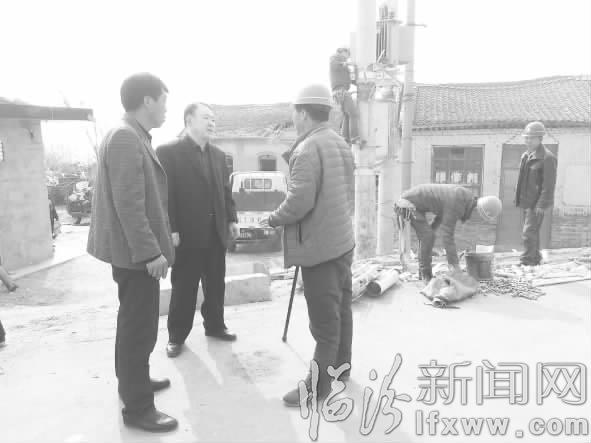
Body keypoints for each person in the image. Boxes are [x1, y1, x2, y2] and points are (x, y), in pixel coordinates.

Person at [86, 73, 177, 432]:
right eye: (164, 101)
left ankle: (133, 383)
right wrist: (151, 253)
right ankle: (139, 408)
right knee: (138, 330)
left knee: (135, 325)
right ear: (147, 101)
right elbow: (129, 204)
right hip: (136, 256)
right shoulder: (126, 137)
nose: (166, 108)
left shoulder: (131, 134)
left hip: (132, 253)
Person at [260, 84, 356, 407]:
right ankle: (341, 369)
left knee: (324, 324)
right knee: (341, 310)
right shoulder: (340, 142)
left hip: (320, 249)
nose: (293, 118)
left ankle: (317, 388)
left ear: (302, 113)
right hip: (342, 242)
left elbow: (299, 202)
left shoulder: (307, 149)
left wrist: (274, 218)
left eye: (294, 113)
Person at [156, 102, 239, 358]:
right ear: (189, 120)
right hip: (186, 234)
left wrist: (232, 219)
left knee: (215, 285)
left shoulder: (219, 155)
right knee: (184, 287)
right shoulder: (169, 152)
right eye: (206, 118)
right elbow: (165, 195)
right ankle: (176, 336)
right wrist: (171, 228)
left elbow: (225, 191)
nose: (212, 122)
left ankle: (215, 326)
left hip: (215, 232)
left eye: (213, 118)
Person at [395, 184, 502, 283]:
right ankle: (426, 275)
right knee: (427, 236)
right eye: (479, 215)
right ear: (479, 209)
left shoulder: (466, 198)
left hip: (416, 204)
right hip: (407, 204)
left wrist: (431, 230)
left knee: (428, 236)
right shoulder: (457, 202)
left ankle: (422, 273)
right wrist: (455, 266)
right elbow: (447, 237)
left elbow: (442, 214)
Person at [515, 121, 557, 266]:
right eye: (526, 138)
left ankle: (527, 261)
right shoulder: (526, 156)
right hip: (526, 201)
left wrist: (542, 204)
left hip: (537, 203)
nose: (528, 141)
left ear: (540, 138)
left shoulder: (547, 158)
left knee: (528, 232)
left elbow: (549, 185)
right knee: (532, 232)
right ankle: (535, 258)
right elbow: (522, 180)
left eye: (531, 138)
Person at [329, 47, 362, 146]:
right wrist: (348, 64)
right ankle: (355, 138)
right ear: (342, 52)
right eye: (347, 54)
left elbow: (351, 80)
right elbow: (335, 65)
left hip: (340, 91)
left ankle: (345, 139)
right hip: (340, 90)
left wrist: (359, 80)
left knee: (347, 115)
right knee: (353, 114)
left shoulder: (343, 65)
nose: (348, 57)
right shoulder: (335, 59)